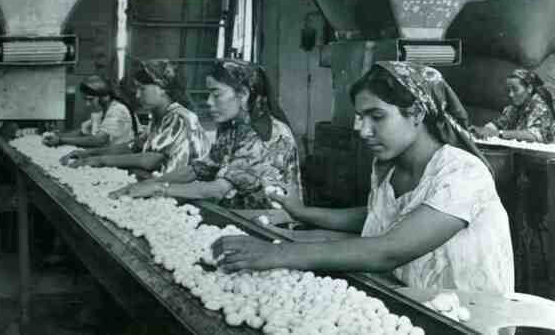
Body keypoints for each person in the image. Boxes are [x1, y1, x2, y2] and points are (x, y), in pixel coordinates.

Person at [212, 61, 514, 294]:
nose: (362, 129)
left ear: (417, 113)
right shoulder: (388, 167)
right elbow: (378, 217)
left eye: (377, 117)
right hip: (413, 300)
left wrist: (276, 253)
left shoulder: (462, 172)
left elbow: (388, 250)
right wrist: (303, 213)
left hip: (466, 317)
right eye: (360, 117)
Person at [108, 59, 302, 211]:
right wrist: (151, 182)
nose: (209, 102)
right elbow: (198, 169)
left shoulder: (269, 135)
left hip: (268, 227)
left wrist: (159, 188)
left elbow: (218, 188)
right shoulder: (235, 129)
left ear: (242, 94)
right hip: (239, 217)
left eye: (216, 94)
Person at [60, 60, 210, 177]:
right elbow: (132, 147)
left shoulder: (180, 118)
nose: (137, 95)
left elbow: (152, 159)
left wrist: (100, 160)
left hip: (180, 190)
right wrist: (88, 154)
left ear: (162, 88)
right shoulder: (158, 117)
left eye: (142, 88)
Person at [43, 74, 138, 148]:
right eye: (86, 100)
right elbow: (82, 132)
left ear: (104, 97)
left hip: (121, 158)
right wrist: (56, 135)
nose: (87, 104)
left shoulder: (118, 110)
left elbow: (99, 140)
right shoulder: (103, 112)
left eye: (90, 99)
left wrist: (60, 140)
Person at [471, 69, 555, 142]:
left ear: (529, 88)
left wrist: (499, 133)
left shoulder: (541, 108)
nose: (511, 94)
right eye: (509, 90)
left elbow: (533, 136)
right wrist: (484, 130)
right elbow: (499, 123)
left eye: (515, 89)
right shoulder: (514, 108)